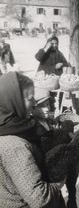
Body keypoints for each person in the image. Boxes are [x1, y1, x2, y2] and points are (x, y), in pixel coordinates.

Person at [0, 72, 66, 208]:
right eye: (30, 98)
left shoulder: (13, 127)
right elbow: (38, 198)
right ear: (15, 100)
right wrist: (59, 183)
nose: (34, 103)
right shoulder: (14, 145)